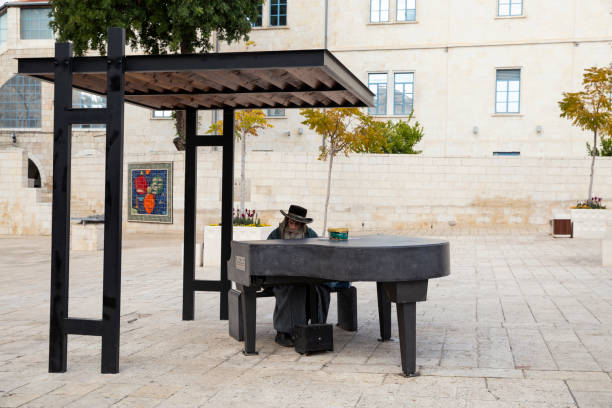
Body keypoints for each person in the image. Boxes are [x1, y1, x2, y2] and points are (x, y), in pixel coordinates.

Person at [267, 205, 331, 347]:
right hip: (282, 277)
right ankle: (284, 332)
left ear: (302, 225)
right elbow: (267, 257)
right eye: (291, 223)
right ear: (286, 221)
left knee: (321, 289)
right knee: (293, 289)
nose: (294, 227)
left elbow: (319, 257)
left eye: (297, 224)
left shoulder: (311, 235)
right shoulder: (275, 235)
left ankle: (314, 329)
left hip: (307, 277)